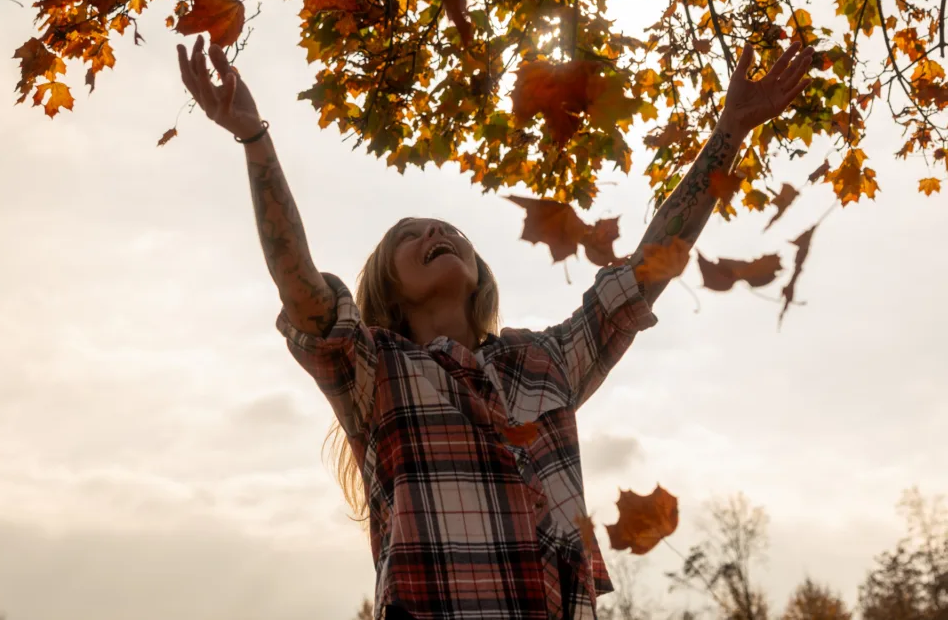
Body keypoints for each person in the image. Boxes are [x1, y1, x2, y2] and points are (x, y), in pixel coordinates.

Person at [175, 34, 813, 620]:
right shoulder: (377, 374)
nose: (436, 233)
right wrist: (254, 137)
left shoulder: (545, 362)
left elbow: (648, 268)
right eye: (410, 235)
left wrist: (728, 129)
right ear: (385, 288)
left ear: (480, 271)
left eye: (447, 230)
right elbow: (303, 290)